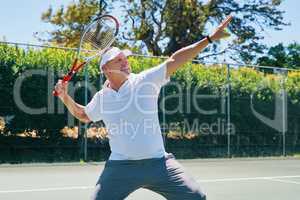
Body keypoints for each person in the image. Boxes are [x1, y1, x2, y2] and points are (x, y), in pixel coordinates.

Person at [55, 15, 233, 200]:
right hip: (121, 167)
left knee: (197, 197)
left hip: (160, 164)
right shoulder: (101, 98)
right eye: (119, 60)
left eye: (126, 58)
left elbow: (175, 60)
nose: (126, 62)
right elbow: (83, 115)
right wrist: (64, 96)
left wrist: (209, 39)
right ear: (106, 69)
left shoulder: (145, 81)